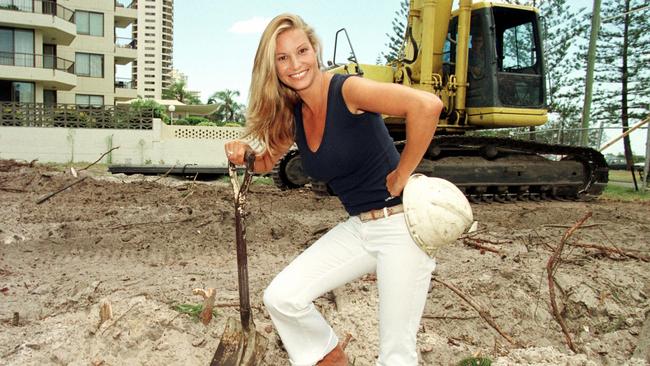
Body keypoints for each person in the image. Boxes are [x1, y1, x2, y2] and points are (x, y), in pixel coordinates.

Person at [225, 13, 443, 366]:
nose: (295, 64)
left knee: (396, 356)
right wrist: (244, 154)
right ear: (274, 67)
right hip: (361, 227)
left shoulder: (348, 90)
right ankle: (331, 359)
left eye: (301, 51)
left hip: (402, 227)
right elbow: (264, 163)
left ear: (315, 50)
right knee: (283, 297)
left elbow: (426, 106)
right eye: (283, 58)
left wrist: (403, 173)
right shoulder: (294, 113)